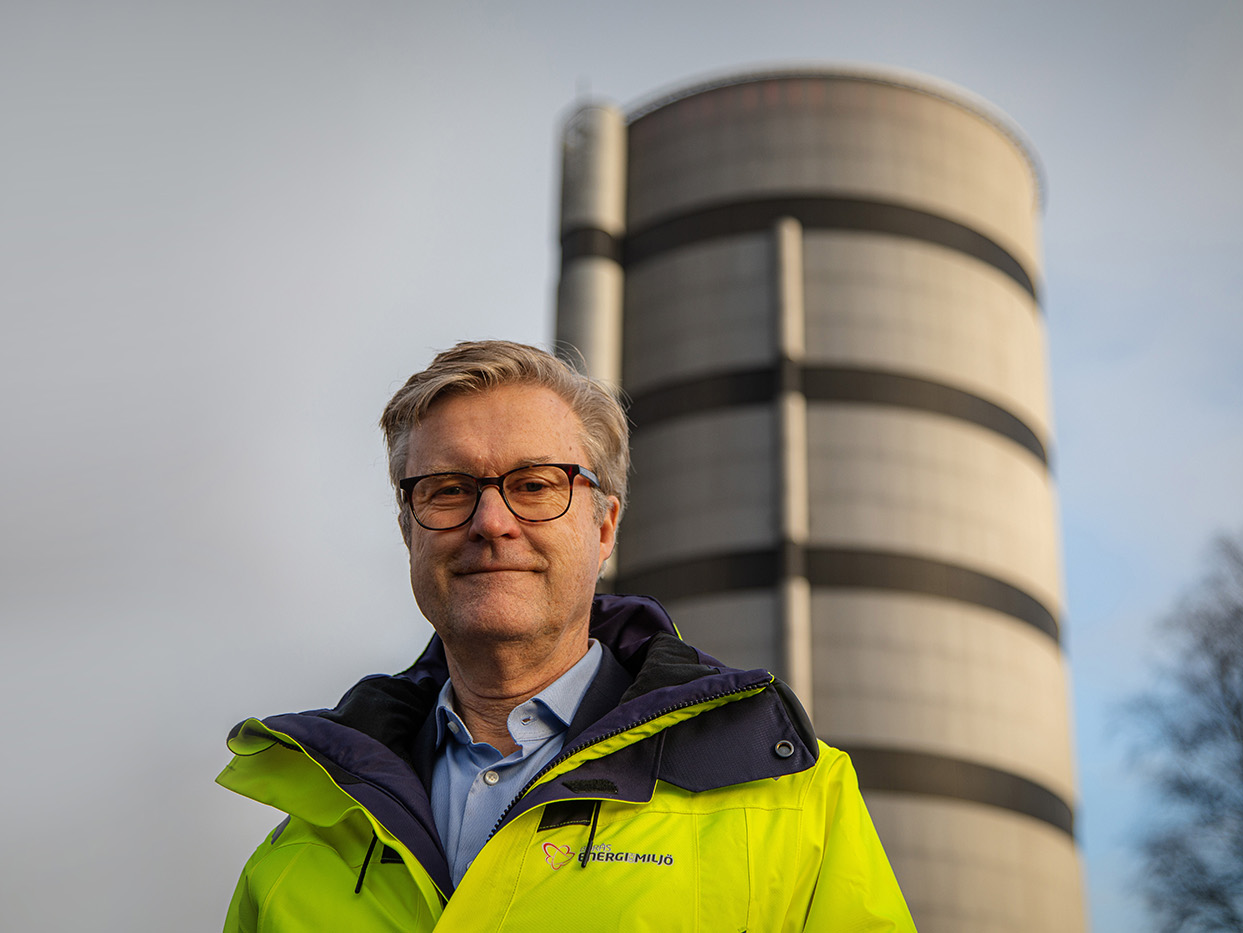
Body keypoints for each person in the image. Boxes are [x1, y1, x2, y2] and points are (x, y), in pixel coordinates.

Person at [219, 340, 914, 931]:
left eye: (535, 484)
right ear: (409, 529)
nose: (491, 521)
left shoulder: (793, 798)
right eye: (448, 489)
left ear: (604, 526)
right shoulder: (296, 853)